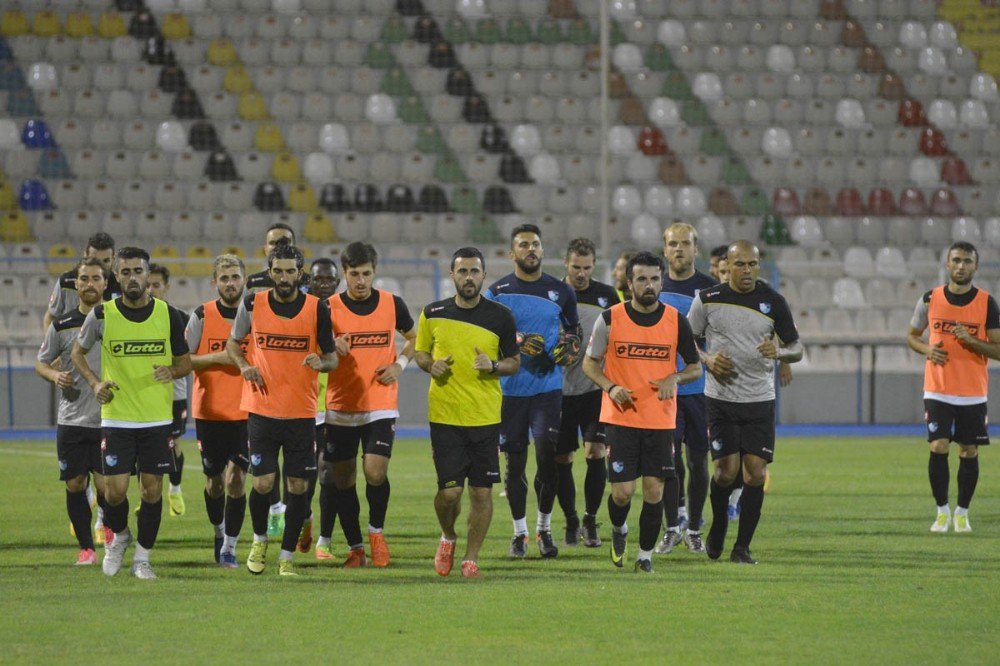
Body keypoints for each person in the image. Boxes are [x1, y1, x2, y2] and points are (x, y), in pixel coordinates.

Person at [71, 247, 192, 580]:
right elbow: (77, 352)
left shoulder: (169, 315)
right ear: (116, 276)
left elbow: (185, 362)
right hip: (117, 416)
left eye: (138, 271)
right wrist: (95, 383)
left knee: (152, 491)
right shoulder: (101, 315)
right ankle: (120, 536)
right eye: (125, 272)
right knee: (114, 491)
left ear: (147, 273)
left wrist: (173, 371)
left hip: (156, 418)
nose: (132, 277)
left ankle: (143, 558)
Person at [582, 251, 702, 573]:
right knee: (621, 493)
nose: (648, 285)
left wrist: (673, 377)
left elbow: (695, 368)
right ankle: (619, 529)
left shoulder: (676, 321)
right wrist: (610, 387)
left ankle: (645, 556)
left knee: (654, 490)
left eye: (653, 279)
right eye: (641, 279)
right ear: (628, 282)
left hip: (660, 419)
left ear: (661, 281)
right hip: (621, 417)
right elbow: (589, 363)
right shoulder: (610, 318)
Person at [687, 240, 802, 564]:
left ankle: (742, 547)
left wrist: (779, 353)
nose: (748, 270)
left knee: (755, 473)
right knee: (725, 472)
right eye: (741, 265)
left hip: (759, 399)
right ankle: (719, 525)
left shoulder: (773, 301)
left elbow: (797, 346)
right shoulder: (708, 299)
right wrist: (708, 359)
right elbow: (687, 340)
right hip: (720, 399)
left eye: (753, 264)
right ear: (728, 265)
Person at [226, 244, 337, 576]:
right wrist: (244, 365)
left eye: (291, 271)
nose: (285, 277)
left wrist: (323, 361)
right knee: (262, 484)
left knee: (298, 487)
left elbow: (332, 357)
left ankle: (287, 556)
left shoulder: (317, 309)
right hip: (261, 410)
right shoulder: (252, 303)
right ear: (270, 272)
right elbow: (233, 343)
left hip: (301, 413)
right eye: (279, 271)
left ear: (300, 274)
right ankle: (260, 541)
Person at [415, 247, 520, 578]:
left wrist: (493, 366)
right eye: (463, 272)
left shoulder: (501, 316)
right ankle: (448, 535)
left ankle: (471, 558)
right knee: (450, 493)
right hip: (445, 415)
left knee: (480, 492)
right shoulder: (432, 313)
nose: (469, 277)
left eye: (475, 272)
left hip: (485, 417)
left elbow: (515, 362)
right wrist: (431, 365)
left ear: (483, 276)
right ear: (452, 276)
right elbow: (420, 352)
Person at [485, 223, 580, 559]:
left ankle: (544, 529)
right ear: (512, 253)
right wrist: (518, 342)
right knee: (514, 466)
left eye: (536, 244)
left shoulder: (561, 291)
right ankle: (519, 534)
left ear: (542, 250)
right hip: (510, 391)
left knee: (546, 457)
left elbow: (574, 332)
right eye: (523, 245)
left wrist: (571, 347)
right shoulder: (497, 292)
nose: (530, 250)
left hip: (547, 389)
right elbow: (485, 338)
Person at [320, 242, 416, 568]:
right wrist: (330, 346)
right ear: (344, 273)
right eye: (354, 274)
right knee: (343, 480)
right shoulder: (327, 308)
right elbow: (311, 349)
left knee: (375, 472)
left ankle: (377, 533)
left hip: (380, 403)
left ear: (375, 272)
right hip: (340, 406)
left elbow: (416, 338)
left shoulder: (392, 304)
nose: (360, 281)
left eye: (366, 274)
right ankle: (356, 548)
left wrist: (399, 366)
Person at [906, 241, 999, 533]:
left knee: (968, 451)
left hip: (972, 391)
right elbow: (911, 336)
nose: (961, 266)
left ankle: (962, 512)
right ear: (947, 265)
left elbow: (998, 349)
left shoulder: (987, 303)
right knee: (938, 445)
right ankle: (942, 511)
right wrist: (927, 350)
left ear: (975, 266)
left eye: (967, 261)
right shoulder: (929, 299)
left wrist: (971, 341)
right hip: (937, 389)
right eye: (956, 260)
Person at [35, 258, 111, 565]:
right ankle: (86, 549)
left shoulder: (116, 320)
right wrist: (54, 375)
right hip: (72, 418)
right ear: (75, 284)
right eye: (84, 279)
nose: (90, 283)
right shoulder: (61, 325)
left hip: (109, 417)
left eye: (96, 278)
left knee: (109, 487)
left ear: (106, 284)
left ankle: (111, 530)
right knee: (75, 483)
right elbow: (41, 361)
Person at [655, 223, 717, 555]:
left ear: (697, 249)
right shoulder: (653, 285)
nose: (679, 249)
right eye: (673, 244)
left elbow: (719, 337)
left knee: (698, 460)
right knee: (668, 461)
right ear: (664, 250)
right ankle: (672, 527)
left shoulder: (710, 289)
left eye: (686, 244)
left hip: (698, 389)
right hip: (662, 390)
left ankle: (693, 527)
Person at [186, 254, 251, 567]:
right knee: (214, 483)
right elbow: (183, 362)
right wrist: (219, 359)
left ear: (244, 280)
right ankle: (218, 529)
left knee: (237, 480)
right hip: (210, 413)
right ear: (215, 283)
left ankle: (230, 546)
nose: (230, 283)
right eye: (224, 278)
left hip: (248, 412)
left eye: (235, 277)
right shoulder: (202, 315)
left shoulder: (257, 314)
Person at [557, 238, 620, 547]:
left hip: (595, 388)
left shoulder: (608, 296)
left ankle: (591, 520)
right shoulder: (553, 294)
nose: (581, 274)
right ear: (565, 264)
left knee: (595, 452)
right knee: (562, 458)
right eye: (575, 267)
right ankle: (570, 519)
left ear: (594, 266)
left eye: (587, 268)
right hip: (559, 390)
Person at [245, 222, 298, 537]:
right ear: (265, 249)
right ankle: (277, 509)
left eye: (284, 241)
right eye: (273, 241)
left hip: (303, 384)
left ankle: (295, 514)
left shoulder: (301, 279)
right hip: (262, 384)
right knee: (264, 464)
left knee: (303, 464)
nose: (278, 245)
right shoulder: (253, 286)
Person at [302, 258, 340, 560]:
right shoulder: (301, 311)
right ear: (309, 281)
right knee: (304, 476)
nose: (325, 285)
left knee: (329, 474)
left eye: (330, 280)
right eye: (319, 280)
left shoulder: (346, 310)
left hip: (337, 407)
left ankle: (324, 540)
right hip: (305, 405)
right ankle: (305, 519)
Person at [148, 264, 189, 517]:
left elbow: (191, 357)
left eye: (156, 285)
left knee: (172, 444)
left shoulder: (180, 318)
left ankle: (174, 488)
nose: (151, 290)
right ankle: (149, 494)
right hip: (143, 394)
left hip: (174, 393)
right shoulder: (131, 316)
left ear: (166, 287)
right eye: (148, 284)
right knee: (147, 449)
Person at [44, 232, 120, 331]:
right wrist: (50, 344)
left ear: (113, 258)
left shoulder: (120, 285)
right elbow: (51, 316)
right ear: (85, 255)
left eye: (106, 261)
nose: (100, 267)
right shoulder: (66, 282)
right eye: (95, 260)